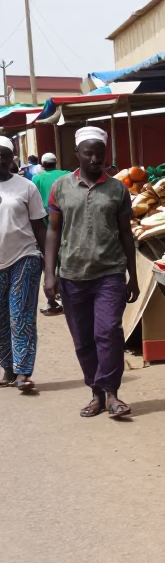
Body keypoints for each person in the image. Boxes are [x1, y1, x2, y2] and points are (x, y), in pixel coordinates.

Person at [43, 125, 139, 418]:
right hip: (72, 274)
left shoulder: (118, 189)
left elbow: (126, 234)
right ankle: (96, 393)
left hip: (109, 272)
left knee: (108, 331)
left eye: (100, 153)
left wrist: (132, 275)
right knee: (83, 338)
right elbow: (53, 232)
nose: (95, 159)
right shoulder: (60, 187)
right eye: (89, 153)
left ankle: (111, 393)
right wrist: (50, 273)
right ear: (77, 154)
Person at [0, 136, 46, 392]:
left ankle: (23, 372)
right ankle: (7, 368)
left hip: (24, 257)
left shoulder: (26, 187)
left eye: (4, 154)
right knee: (1, 317)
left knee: (21, 315)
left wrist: (51, 265)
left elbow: (40, 227)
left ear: (12, 159)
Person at [32, 153, 68, 316]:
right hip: (66, 216)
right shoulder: (66, 174)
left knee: (50, 253)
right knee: (63, 250)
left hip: (47, 218)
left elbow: (35, 201)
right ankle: (63, 294)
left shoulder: (37, 178)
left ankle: (53, 297)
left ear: (43, 164)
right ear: (55, 163)